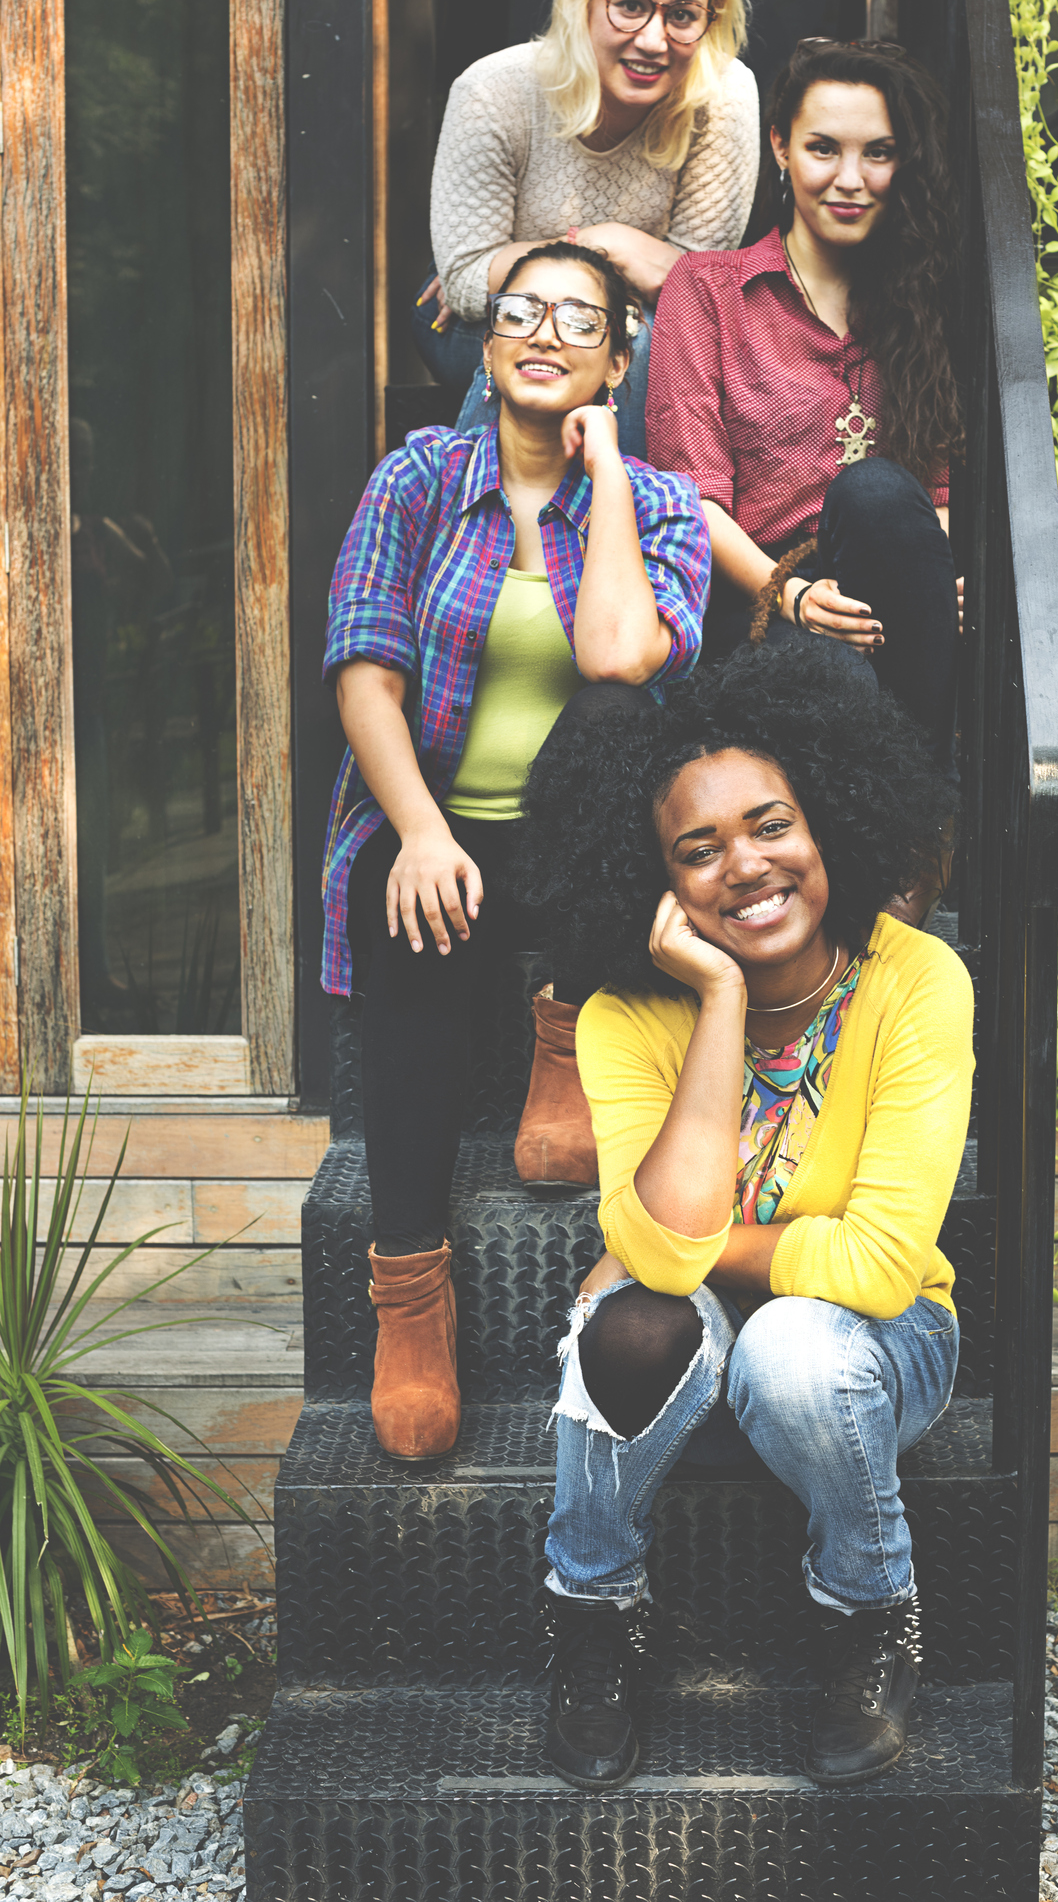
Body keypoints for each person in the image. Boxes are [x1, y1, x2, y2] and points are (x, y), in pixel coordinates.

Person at [516, 643, 973, 1790]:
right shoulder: (629, 1017)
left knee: (794, 1347)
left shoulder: (917, 981)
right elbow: (665, 1258)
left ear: (827, 821)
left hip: (880, 1344)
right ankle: (593, 1610)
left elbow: (876, 1264)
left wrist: (658, 1252)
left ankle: (870, 1609)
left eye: (771, 824)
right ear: (655, 881)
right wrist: (719, 997)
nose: (746, 866)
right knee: (628, 1327)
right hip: (710, 1328)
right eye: (697, 848)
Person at [322, 242, 710, 1462]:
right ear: (486, 347)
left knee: (606, 722)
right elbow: (367, 672)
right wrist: (423, 831)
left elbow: (616, 660)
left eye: (577, 318)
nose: (544, 332)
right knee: (409, 909)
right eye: (521, 312)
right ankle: (410, 1297)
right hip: (442, 826)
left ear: (616, 354)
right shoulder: (418, 477)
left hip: (581, 844)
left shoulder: (655, 503)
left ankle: (564, 1026)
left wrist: (597, 469)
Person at [646, 38, 962, 786]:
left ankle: (918, 835)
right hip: (759, 600)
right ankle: (918, 830)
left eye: (877, 153)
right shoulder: (709, 291)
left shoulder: (921, 297)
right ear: (781, 148)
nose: (850, 179)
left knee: (879, 492)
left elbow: (938, 491)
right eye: (824, 148)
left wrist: (934, 575)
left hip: (885, 586)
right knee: (831, 674)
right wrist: (791, 597)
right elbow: (692, 498)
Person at [416, 0, 757, 458]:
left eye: (682, 15)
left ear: (710, 18)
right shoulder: (495, 90)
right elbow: (470, 281)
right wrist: (602, 247)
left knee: (630, 337)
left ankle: (600, 533)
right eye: (630, 5)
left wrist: (539, 261)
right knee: (569, 332)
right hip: (472, 319)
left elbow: (697, 292)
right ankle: (495, 532)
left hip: (627, 323)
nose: (653, 39)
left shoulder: (723, 95)